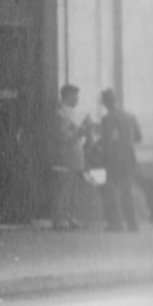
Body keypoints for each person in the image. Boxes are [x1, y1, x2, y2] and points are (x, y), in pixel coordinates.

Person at [97, 88, 142, 233]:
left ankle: (116, 223)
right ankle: (132, 223)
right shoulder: (130, 116)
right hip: (129, 158)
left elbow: (105, 140)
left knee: (111, 191)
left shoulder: (107, 119)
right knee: (127, 191)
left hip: (112, 159)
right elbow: (138, 138)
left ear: (105, 103)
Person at [49, 83, 90, 230]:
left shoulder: (71, 113)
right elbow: (63, 136)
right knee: (64, 188)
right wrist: (80, 130)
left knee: (73, 189)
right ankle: (59, 219)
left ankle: (70, 217)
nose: (77, 99)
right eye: (75, 96)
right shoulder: (60, 114)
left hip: (75, 156)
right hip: (66, 156)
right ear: (67, 96)